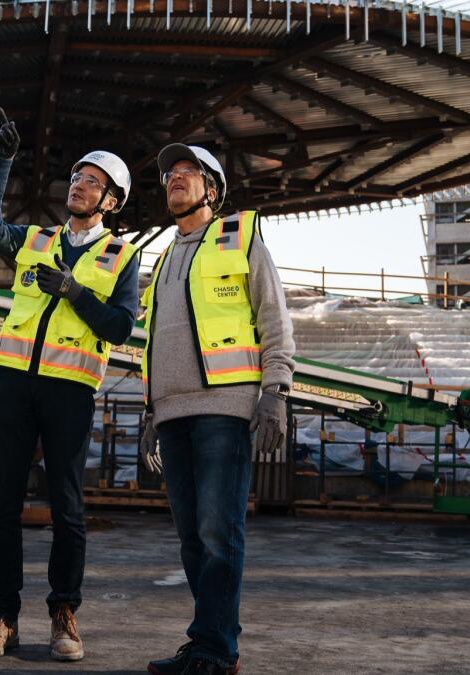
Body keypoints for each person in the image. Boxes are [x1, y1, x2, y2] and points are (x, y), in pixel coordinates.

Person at [0, 118, 140, 662]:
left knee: (67, 509)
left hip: (70, 391)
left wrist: (73, 291)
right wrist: (0, 163)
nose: (79, 185)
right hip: (16, 384)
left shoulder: (122, 257)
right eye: (75, 177)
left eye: (92, 181)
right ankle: (3, 616)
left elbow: (119, 326)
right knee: (4, 507)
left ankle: (64, 615)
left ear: (111, 201)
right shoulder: (35, 239)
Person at [138, 144, 295, 675]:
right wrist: (148, 410)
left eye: (188, 173)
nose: (174, 180)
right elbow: (154, 340)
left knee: (217, 532)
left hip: (225, 408)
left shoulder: (240, 239)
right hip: (173, 412)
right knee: (190, 537)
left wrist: (275, 390)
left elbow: (274, 317)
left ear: (213, 188)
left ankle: (216, 651)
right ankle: (210, 638)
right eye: (169, 175)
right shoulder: (162, 259)